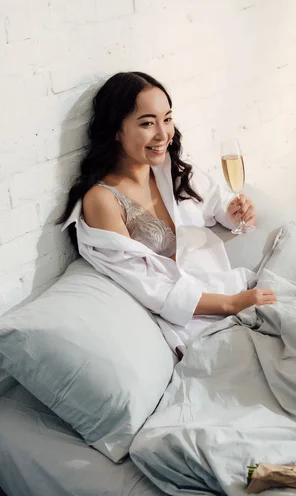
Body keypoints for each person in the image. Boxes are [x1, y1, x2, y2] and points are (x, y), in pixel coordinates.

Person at [60, 72, 276, 356]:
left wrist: (239, 212)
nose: (163, 134)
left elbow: (219, 206)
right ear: (116, 130)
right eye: (147, 123)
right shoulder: (102, 200)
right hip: (196, 321)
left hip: (231, 285)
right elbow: (146, 285)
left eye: (167, 119)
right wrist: (231, 303)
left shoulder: (171, 170)